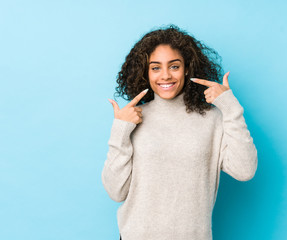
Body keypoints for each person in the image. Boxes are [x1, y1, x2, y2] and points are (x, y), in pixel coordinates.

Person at [101, 24, 258, 240]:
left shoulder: (212, 118)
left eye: (174, 66)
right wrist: (120, 130)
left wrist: (230, 108)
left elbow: (245, 170)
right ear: (145, 72)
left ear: (187, 68)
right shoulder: (132, 119)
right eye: (155, 67)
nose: (165, 75)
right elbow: (115, 191)